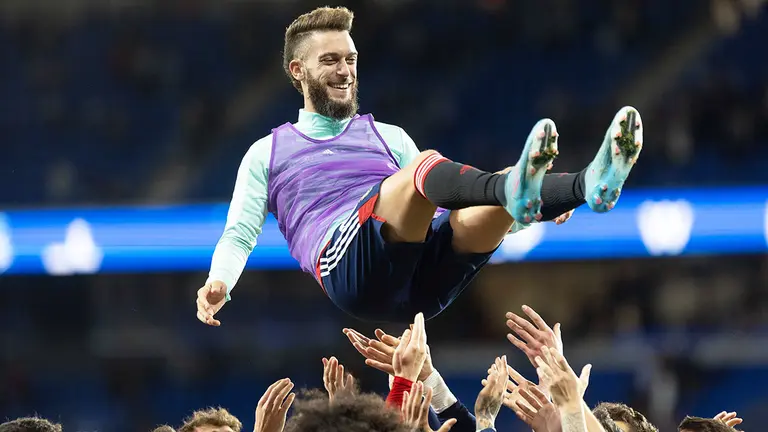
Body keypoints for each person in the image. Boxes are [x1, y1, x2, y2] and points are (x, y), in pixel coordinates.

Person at [196, 6, 644, 324]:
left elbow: (447, 209)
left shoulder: (388, 137)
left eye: (350, 59)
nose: (345, 70)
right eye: (330, 60)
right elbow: (239, 233)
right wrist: (220, 282)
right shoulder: (268, 152)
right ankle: (515, 190)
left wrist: (524, 214)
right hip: (350, 270)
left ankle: (589, 184)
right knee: (426, 171)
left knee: (483, 203)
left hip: (422, 293)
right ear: (298, 71)